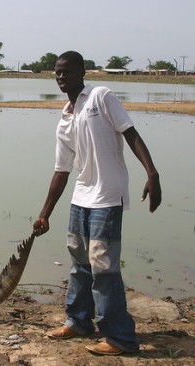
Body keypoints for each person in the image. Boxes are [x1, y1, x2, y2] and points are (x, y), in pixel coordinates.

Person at [32, 51, 162, 356]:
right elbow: (62, 171)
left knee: (103, 267)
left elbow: (130, 134)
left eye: (66, 72)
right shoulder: (65, 118)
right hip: (81, 196)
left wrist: (152, 173)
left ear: (82, 72)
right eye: (57, 73)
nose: (61, 77)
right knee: (79, 263)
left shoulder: (101, 97)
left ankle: (120, 339)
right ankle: (78, 321)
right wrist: (44, 214)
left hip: (107, 195)